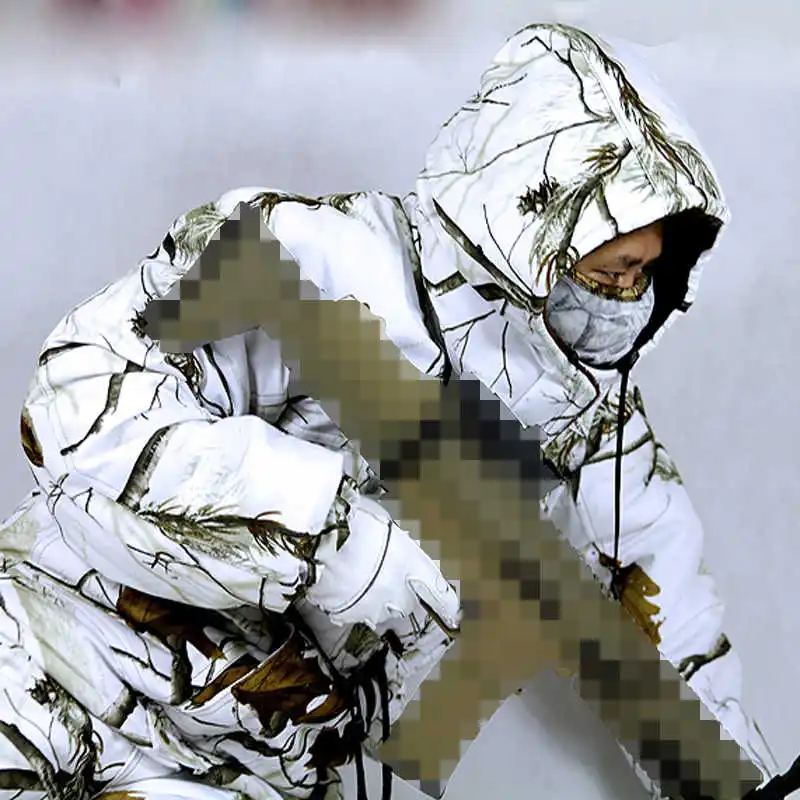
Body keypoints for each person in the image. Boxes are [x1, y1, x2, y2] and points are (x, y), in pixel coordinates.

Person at [0, 20, 793, 800]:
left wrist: (735, 788)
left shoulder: (591, 426)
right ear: (536, 226)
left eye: (646, 275)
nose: (627, 298)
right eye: (615, 267)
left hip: (245, 767)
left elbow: (665, 637)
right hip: (48, 665)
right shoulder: (314, 260)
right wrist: (325, 532)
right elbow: (80, 399)